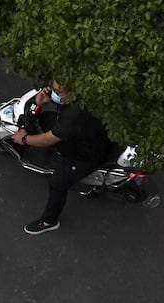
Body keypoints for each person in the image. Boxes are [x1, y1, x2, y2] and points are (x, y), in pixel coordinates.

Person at [11, 80, 111, 235]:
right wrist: (37, 104)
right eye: (53, 88)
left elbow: (48, 139)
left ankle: (49, 221)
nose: (53, 93)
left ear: (71, 92)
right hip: (78, 134)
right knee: (44, 119)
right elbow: (36, 111)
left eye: (58, 92)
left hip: (85, 154)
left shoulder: (74, 114)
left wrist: (24, 139)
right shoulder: (75, 98)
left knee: (58, 182)